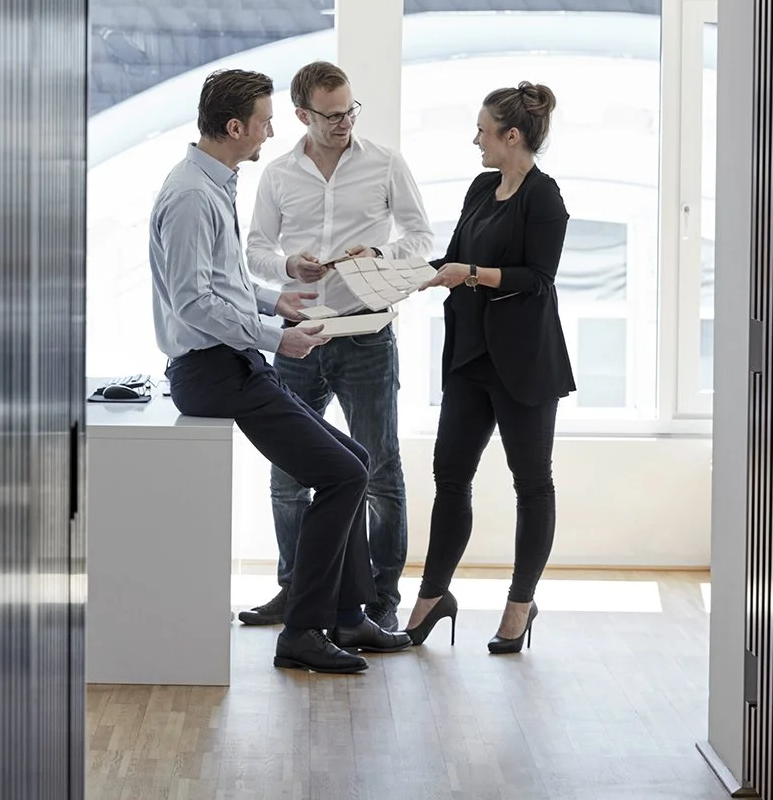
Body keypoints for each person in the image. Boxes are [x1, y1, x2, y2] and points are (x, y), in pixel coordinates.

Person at [150, 68, 417, 673]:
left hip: (233, 362)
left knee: (353, 460)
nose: (272, 133)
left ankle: (349, 616)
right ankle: (303, 630)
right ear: (236, 126)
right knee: (346, 475)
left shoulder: (212, 182)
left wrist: (275, 302)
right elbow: (193, 303)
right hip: (215, 371)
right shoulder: (193, 194)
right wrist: (277, 336)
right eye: (266, 122)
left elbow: (224, 281)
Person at [237, 61, 433, 631]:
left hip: (367, 334)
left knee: (380, 471)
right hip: (297, 335)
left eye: (350, 110)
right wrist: (288, 265)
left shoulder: (385, 163)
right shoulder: (276, 174)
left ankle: (379, 601)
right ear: (302, 114)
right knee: (287, 476)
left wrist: (382, 256)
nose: (344, 121)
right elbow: (254, 250)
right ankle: (296, 591)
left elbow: (422, 238)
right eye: (331, 114)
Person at [403, 82, 577, 654]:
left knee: (532, 482)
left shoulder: (544, 197)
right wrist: (388, 267)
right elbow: (453, 259)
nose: (475, 139)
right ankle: (432, 597)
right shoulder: (481, 187)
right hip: (470, 358)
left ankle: (520, 605)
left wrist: (473, 275)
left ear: (512, 136)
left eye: (482, 129)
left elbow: (538, 279)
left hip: (525, 364)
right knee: (450, 476)